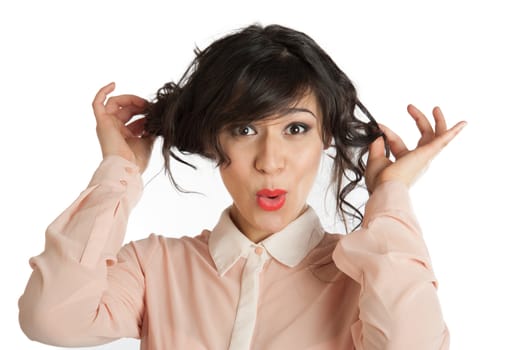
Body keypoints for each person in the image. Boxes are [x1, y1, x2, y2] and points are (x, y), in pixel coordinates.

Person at [18, 23, 465, 349]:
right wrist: (119, 170)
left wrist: (390, 196)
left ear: (325, 138)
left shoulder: (362, 277)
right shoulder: (155, 268)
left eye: (296, 129)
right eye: (245, 130)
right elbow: (51, 319)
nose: (270, 162)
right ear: (215, 140)